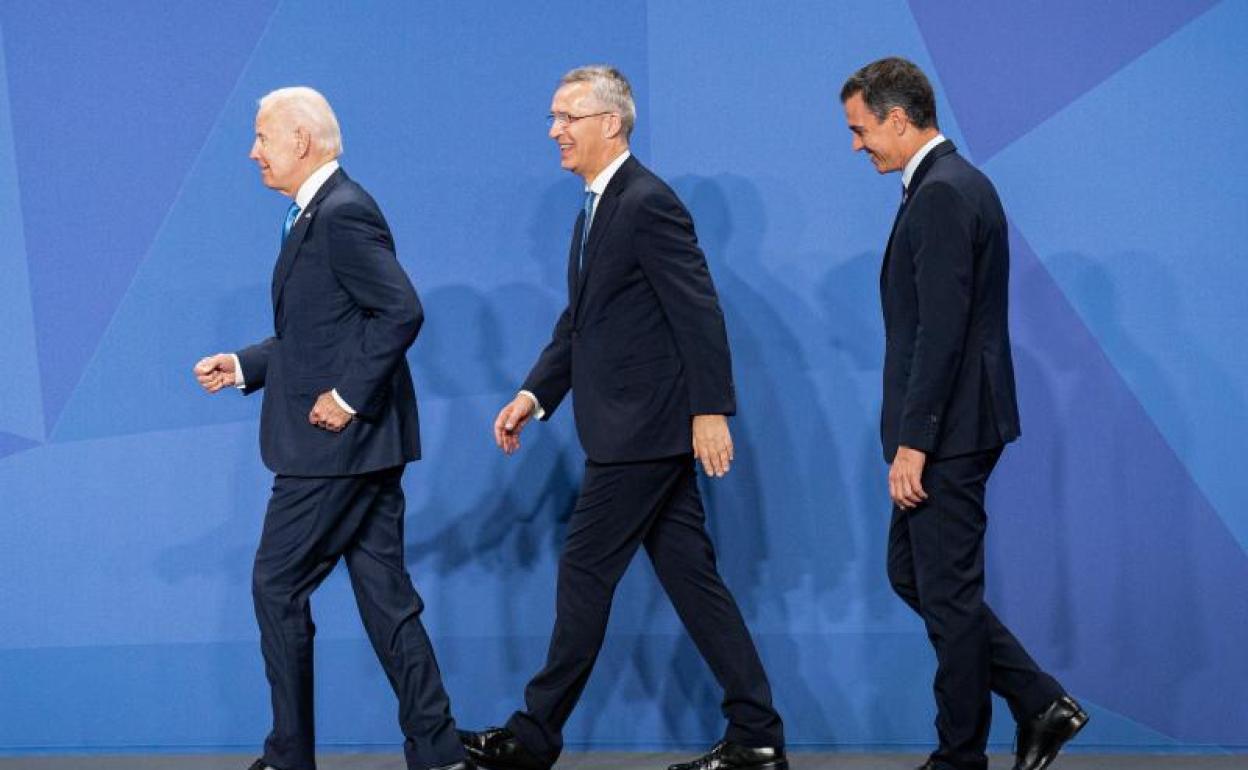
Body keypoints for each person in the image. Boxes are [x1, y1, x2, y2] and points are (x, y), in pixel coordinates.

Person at [457, 66, 786, 770]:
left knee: (584, 572)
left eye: (567, 117)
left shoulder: (647, 202)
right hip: (634, 430)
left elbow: (698, 311)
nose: (554, 131)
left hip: (641, 432)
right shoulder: (597, 206)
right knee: (693, 582)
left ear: (611, 123)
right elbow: (583, 322)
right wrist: (534, 395)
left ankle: (533, 735)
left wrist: (710, 410)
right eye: (553, 117)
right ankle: (757, 733)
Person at [193, 86, 469, 770]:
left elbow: (400, 311)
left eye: (262, 137)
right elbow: (322, 331)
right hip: (362, 446)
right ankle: (439, 753)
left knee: (276, 586)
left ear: (301, 140)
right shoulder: (317, 212)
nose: (253, 151)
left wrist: (346, 398)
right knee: (386, 601)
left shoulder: (342, 213)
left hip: (333, 447)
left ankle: (289, 758)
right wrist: (246, 364)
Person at [839, 57, 1088, 770]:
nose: (856, 146)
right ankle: (1038, 700)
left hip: (947, 432)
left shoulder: (944, 192)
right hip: (953, 426)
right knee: (916, 576)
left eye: (861, 130)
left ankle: (959, 758)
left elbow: (940, 331)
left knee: (947, 595)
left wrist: (915, 441)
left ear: (897, 118)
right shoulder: (949, 184)